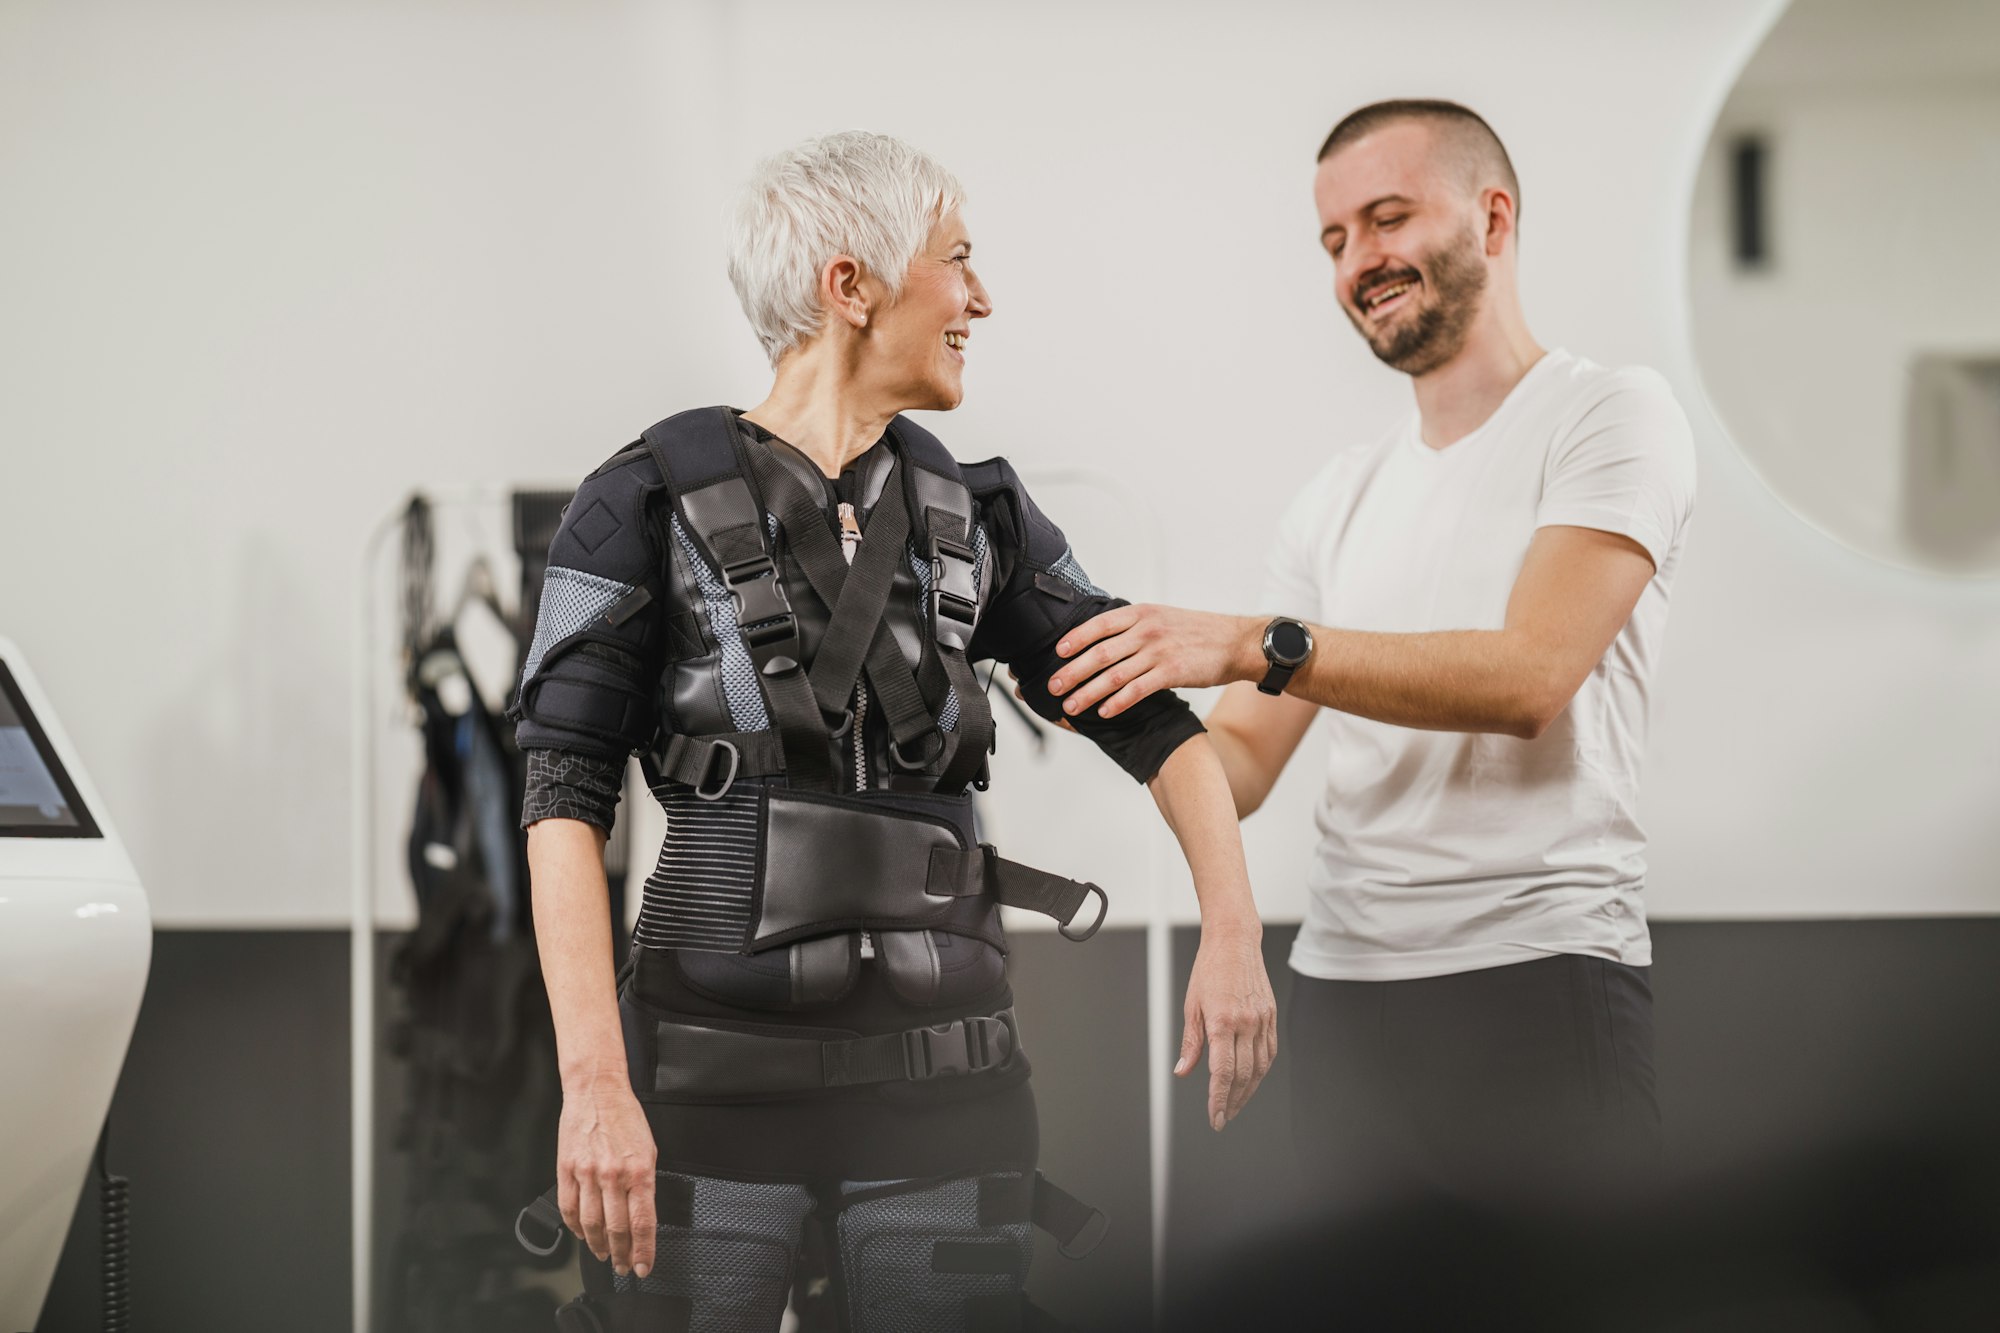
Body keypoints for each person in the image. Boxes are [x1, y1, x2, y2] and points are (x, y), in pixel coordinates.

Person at [509, 130, 1275, 1332]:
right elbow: (561, 797)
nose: (981, 298)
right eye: (956, 260)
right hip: (703, 1093)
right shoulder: (637, 503)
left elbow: (1160, 729)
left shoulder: (981, 514)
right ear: (848, 283)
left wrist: (1231, 934)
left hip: (947, 1098)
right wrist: (594, 1083)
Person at [1045, 100, 1696, 1215]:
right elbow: (1240, 764)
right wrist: (1089, 682)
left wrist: (1250, 644)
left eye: (1386, 218)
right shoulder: (1337, 495)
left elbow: (1528, 678)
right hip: (1345, 994)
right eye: (1333, 239)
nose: (1358, 260)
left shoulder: (1606, 416)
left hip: (1536, 977)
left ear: (1491, 218)